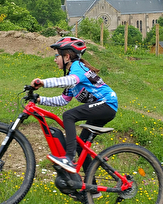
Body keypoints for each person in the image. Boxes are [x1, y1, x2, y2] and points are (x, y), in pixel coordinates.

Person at [31, 37, 118, 174]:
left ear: (66, 57)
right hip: (101, 107)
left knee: (68, 115)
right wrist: (40, 100)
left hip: (107, 103)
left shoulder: (77, 67)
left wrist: (43, 83)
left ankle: (69, 159)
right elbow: (62, 100)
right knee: (80, 145)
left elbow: (71, 80)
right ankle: (92, 189)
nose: (55, 59)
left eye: (56, 55)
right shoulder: (72, 75)